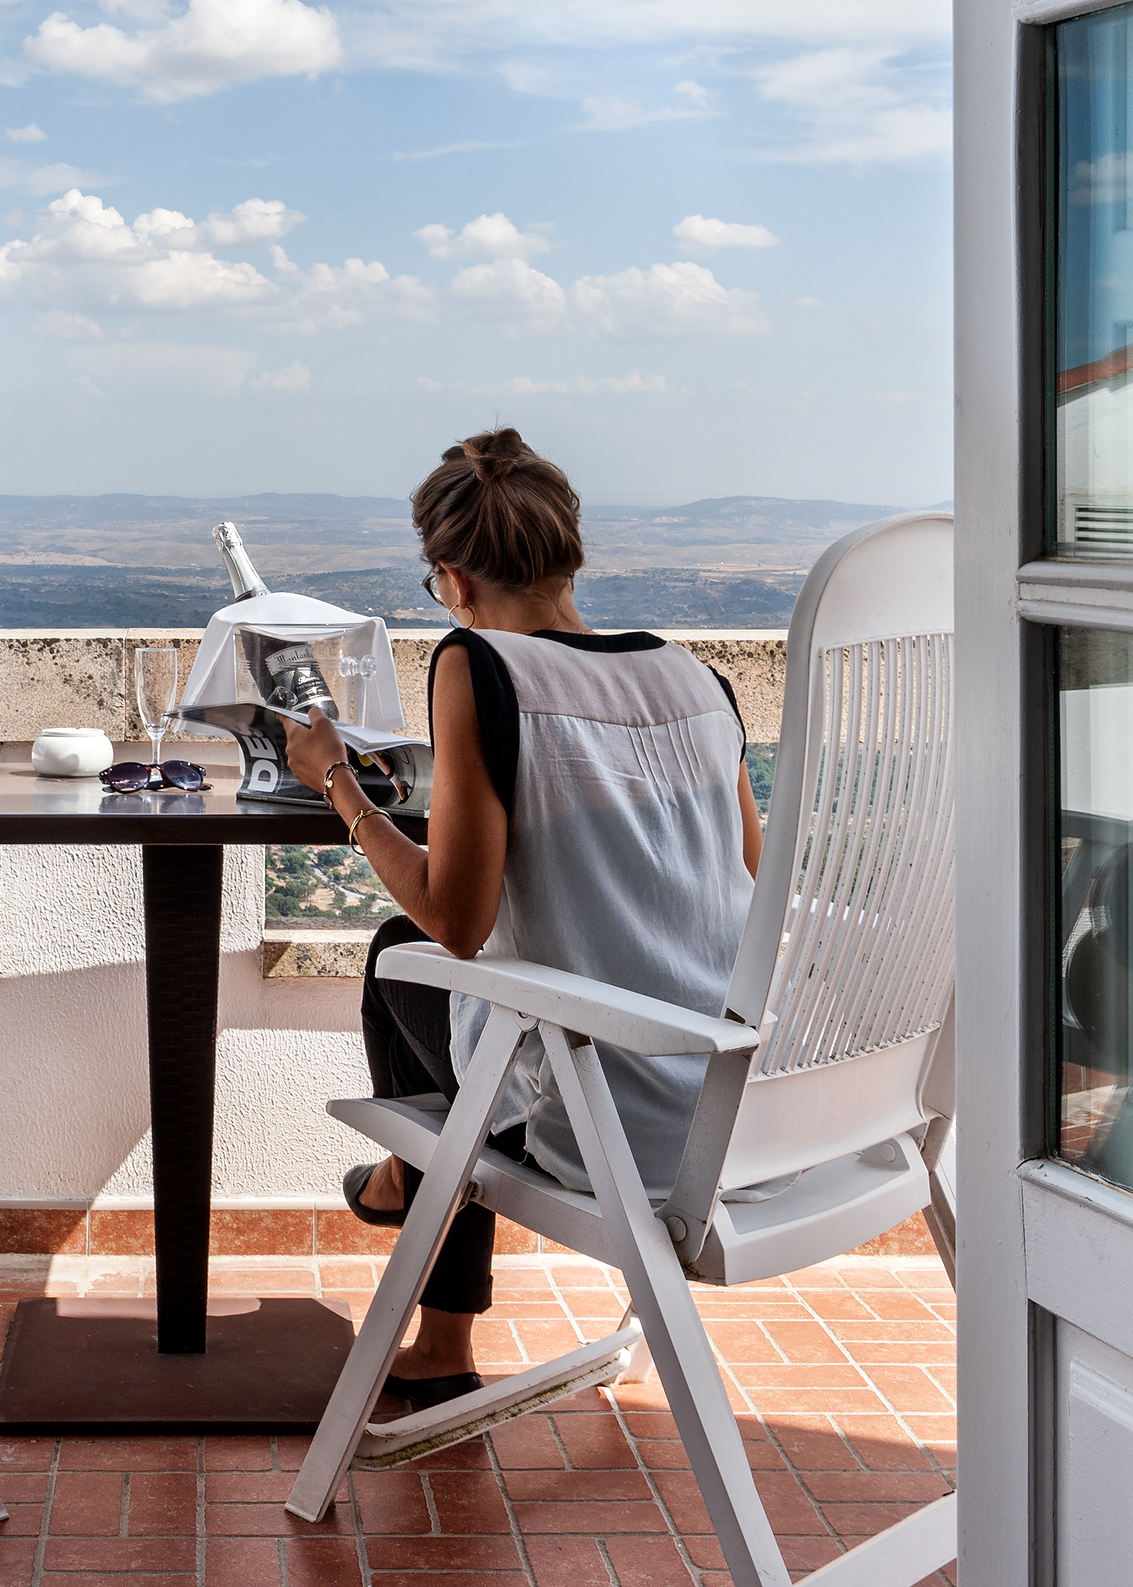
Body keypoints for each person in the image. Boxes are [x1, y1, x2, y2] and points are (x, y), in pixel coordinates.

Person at [284, 428, 762, 1408]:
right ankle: (402, 1193)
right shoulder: (693, 678)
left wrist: (336, 783)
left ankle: (421, 1240)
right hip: (742, 1113)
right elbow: (739, 880)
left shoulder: (478, 665)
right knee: (442, 989)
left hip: (614, 1129)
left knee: (398, 954)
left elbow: (455, 923)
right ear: (568, 548)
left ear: (453, 582)